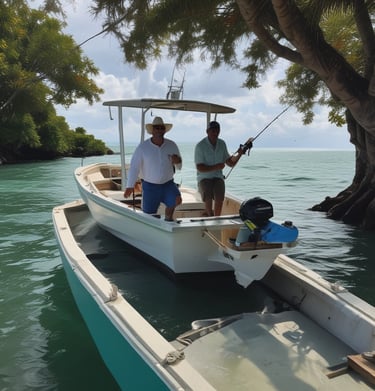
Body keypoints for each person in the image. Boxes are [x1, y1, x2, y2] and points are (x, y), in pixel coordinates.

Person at [124, 116, 182, 221]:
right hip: (150, 187)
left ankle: (168, 219)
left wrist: (177, 161)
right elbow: (134, 167)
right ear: (152, 130)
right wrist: (130, 186)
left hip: (168, 184)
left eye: (161, 128)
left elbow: (179, 165)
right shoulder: (143, 147)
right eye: (157, 128)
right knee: (149, 216)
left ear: (164, 130)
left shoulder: (172, 145)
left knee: (176, 200)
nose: (159, 130)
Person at [194, 120, 247, 216]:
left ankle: (216, 219)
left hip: (218, 177)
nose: (215, 133)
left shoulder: (222, 143)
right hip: (204, 178)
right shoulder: (200, 146)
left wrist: (240, 153)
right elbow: (199, 168)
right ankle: (209, 215)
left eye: (217, 130)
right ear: (207, 131)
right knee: (208, 196)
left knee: (219, 197)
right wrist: (216, 167)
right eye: (213, 130)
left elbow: (230, 163)